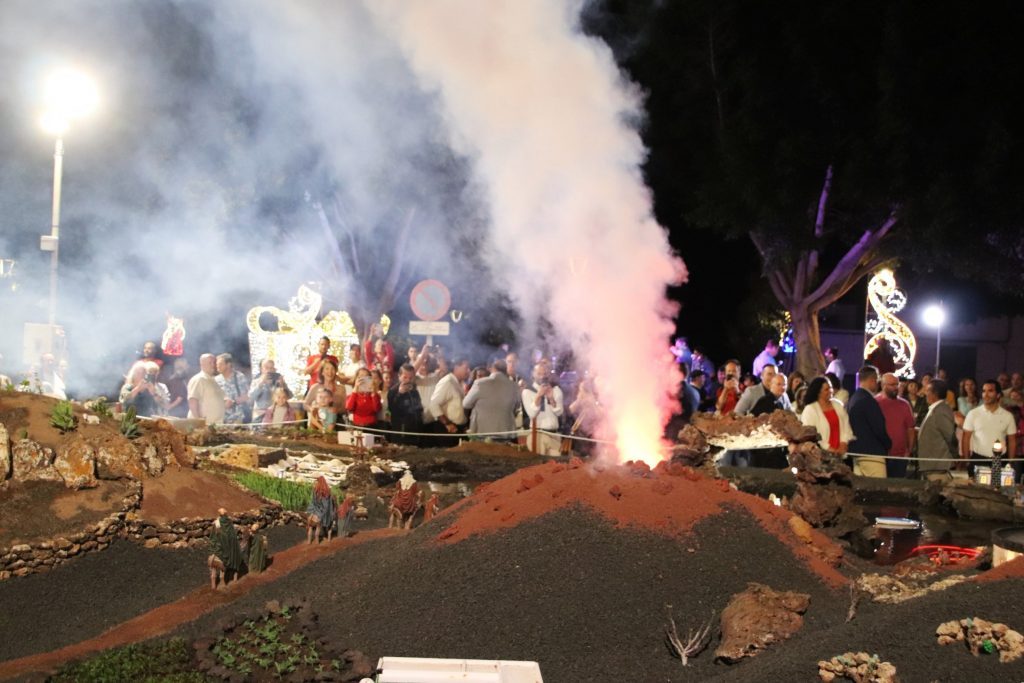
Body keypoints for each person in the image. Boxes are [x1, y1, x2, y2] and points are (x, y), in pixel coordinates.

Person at [961, 379, 1018, 477]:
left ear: (998, 395)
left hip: (999, 460)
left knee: (998, 491)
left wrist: (1010, 462)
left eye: (990, 391)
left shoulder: (1008, 416)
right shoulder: (973, 414)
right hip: (978, 459)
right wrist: (967, 462)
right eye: (984, 391)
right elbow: (965, 438)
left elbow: (1012, 441)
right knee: (976, 491)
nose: (986, 394)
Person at [846, 365, 892, 478]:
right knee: (878, 490)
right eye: (877, 380)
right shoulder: (868, 400)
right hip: (872, 453)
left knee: (861, 490)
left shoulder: (853, 398)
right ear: (872, 380)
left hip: (857, 451)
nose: (878, 384)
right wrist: (888, 444)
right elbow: (878, 428)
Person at [463, 358, 519, 440]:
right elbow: (516, 406)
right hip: (506, 431)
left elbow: (466, 404)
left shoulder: (479, 383)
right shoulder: (514, 386)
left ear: (492, 368)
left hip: (482, 431)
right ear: (505, 370)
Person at [915, 378, 958, 481]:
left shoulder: (941, 410)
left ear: (935, 393)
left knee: (938, 495)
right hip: (931, 465)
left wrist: (954, 457)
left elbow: (950, 437)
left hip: (937, 466)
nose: (925, 393)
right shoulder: (935, 409)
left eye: (928, 391)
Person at [876, 372, 917, 478]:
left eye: (897, 384)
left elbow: (910, 429)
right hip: (880, 455)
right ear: (883, 385)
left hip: (900, 456)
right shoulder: (875, 403)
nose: (896, 387)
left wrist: (909, 450)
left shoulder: (905, 405)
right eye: (892, 385)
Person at [800, 376, 853, 454]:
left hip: (841, 453)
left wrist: (843, 443)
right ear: (818, 392)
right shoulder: (810, 409)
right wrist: (830, 449)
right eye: (826, 389)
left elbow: (846, 426)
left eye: (831, 388)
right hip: (821, 455)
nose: (830, 391)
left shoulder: (837, 405)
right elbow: (811, 435)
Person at [522, 363, 564, 455]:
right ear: (533, 374)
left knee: (556, 464)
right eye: (539, 374)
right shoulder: (527, 391)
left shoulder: (556, 390)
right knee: (538, 464)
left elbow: (559, 413)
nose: (542, 377)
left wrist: (551, 398)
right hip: (537, 435)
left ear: (548, 374)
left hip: (554, 435)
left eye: (544, 374)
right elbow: (532, 414)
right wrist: (538, 396)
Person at [430, 358, 471, 444]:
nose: (468, 371)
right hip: (447, 430)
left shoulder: (458, 383)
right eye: (466, 368)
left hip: (457, 429)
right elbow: (433, 404)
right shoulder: (448, 382)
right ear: (456, 367)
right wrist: (447, 423)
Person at [208, 509, 246, 590]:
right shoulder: (229, 523)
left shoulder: (216, 523)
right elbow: (232, 537)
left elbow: (212, 537)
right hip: (224, 550)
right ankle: (223, 583)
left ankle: (213, 586)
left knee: (213, 571)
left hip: (216, 548)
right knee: (224, 563)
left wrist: (213, 547)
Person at [388, 363, 424, 445]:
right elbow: (392, 409)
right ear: (399, 376)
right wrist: (400, 394)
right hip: (401, 432)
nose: (408, 380)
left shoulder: (414, 390)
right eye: (405, 377)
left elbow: (419, 407)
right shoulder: (393, 391)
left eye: (410, 378)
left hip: (415, 430)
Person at [188, 353, 226, 424]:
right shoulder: (199, 379)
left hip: (216, 424)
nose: (213, 365)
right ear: (202, 364)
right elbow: (192, 401)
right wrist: (199, 422)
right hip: (204, 426)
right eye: (210, 363)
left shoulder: (214, 380)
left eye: (214, 362)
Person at [249, 359, 291, 423]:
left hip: (275, 415)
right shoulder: (256, 381)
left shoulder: (278, 381)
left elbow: (290, 396)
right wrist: (261, 383)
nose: (269, 370)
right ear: (261, 369)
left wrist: (283, 385)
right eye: (266, 368)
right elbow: (251, 397)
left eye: (271, 368)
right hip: (260, 415)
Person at [215, 353, 251, 424]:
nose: (217, 366)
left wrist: (233, 402)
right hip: (222, 419)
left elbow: (247, 396)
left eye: (220, 364)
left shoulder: (239, 377)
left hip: (238, 417)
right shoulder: (216, 380)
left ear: (228, 364)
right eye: (217, 364)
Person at [305, 476, 338, 543]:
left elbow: (312, 502)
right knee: (318, 528)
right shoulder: (326, 492)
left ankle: (309, 542)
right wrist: (327, 514)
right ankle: (317, 542)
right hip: (319, 514)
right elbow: (327, 506)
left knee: (310, 527)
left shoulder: (315, 491)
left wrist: (310, 511)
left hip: (313, 512)